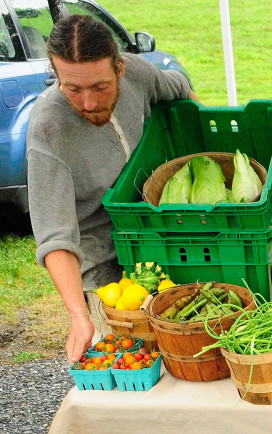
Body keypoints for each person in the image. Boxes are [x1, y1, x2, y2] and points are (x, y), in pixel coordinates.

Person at [26, 15, 198, 363]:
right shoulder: (48, 130)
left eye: (99, 87)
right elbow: (55, 236)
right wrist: (78, 314)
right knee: (133, 370)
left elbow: (178, 89)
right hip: (104, 273)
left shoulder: (138, 73)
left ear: (119, 68)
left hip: (159, 242)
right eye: (72, 89)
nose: (88, 103)